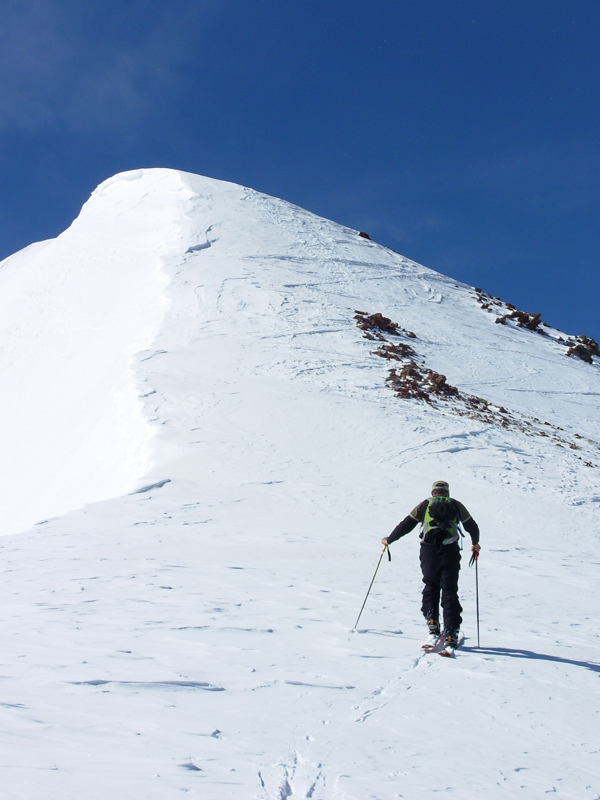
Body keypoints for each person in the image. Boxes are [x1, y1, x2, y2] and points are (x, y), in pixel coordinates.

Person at [381, 480, 481, 649]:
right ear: (447, 493)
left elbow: (406, 525)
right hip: (450, 551)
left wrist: (389, 539)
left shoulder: (425, 505)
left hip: (428, 552)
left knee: (431, 585)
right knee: (449, 589)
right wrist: (475, 543)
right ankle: (451, 630)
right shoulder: (456, 505)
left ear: (433, 492)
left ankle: (432, 620)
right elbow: (472, 526)